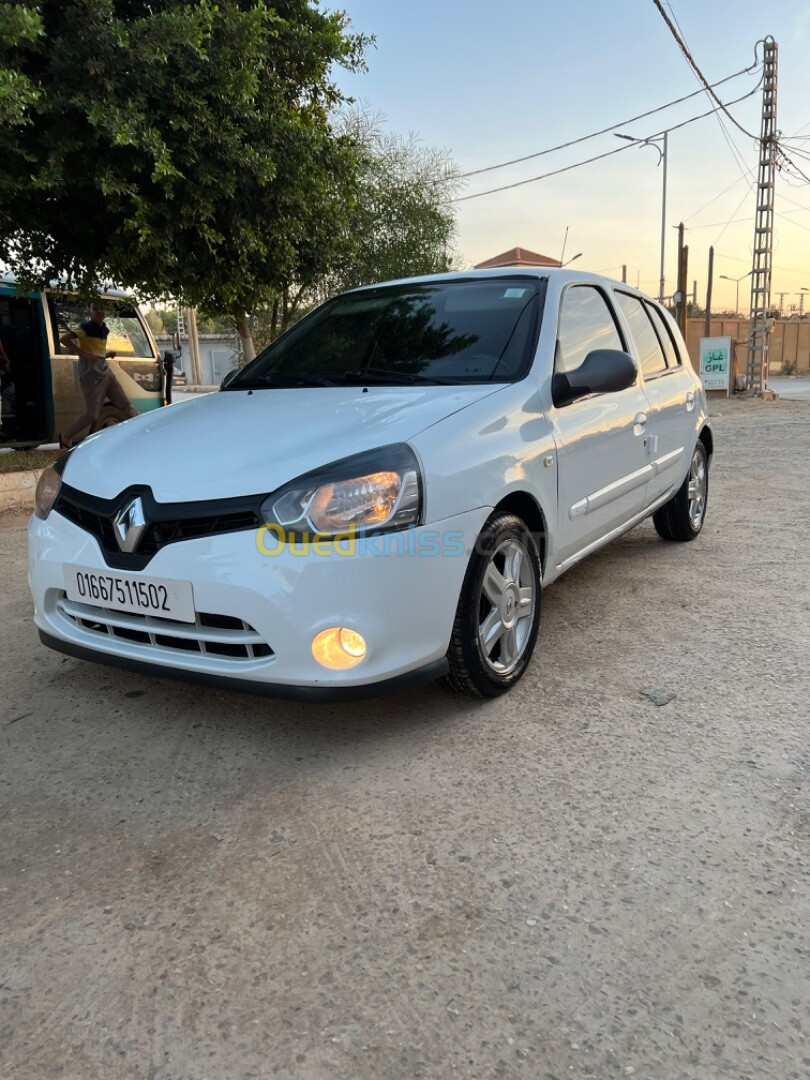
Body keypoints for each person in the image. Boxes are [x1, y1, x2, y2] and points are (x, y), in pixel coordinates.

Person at [60, 303, 136, 448]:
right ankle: (67, 436)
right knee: (92, 413)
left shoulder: (104, 330)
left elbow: (96, 352)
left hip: (106, 372)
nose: (99, 311)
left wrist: (106, 354)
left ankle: (141, 432)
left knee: (125, 405)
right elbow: (64, 340)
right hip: (91, 375)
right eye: (95, 309)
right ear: (90, 312)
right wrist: (83, 353)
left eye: (101, 308)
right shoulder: (85, 328)